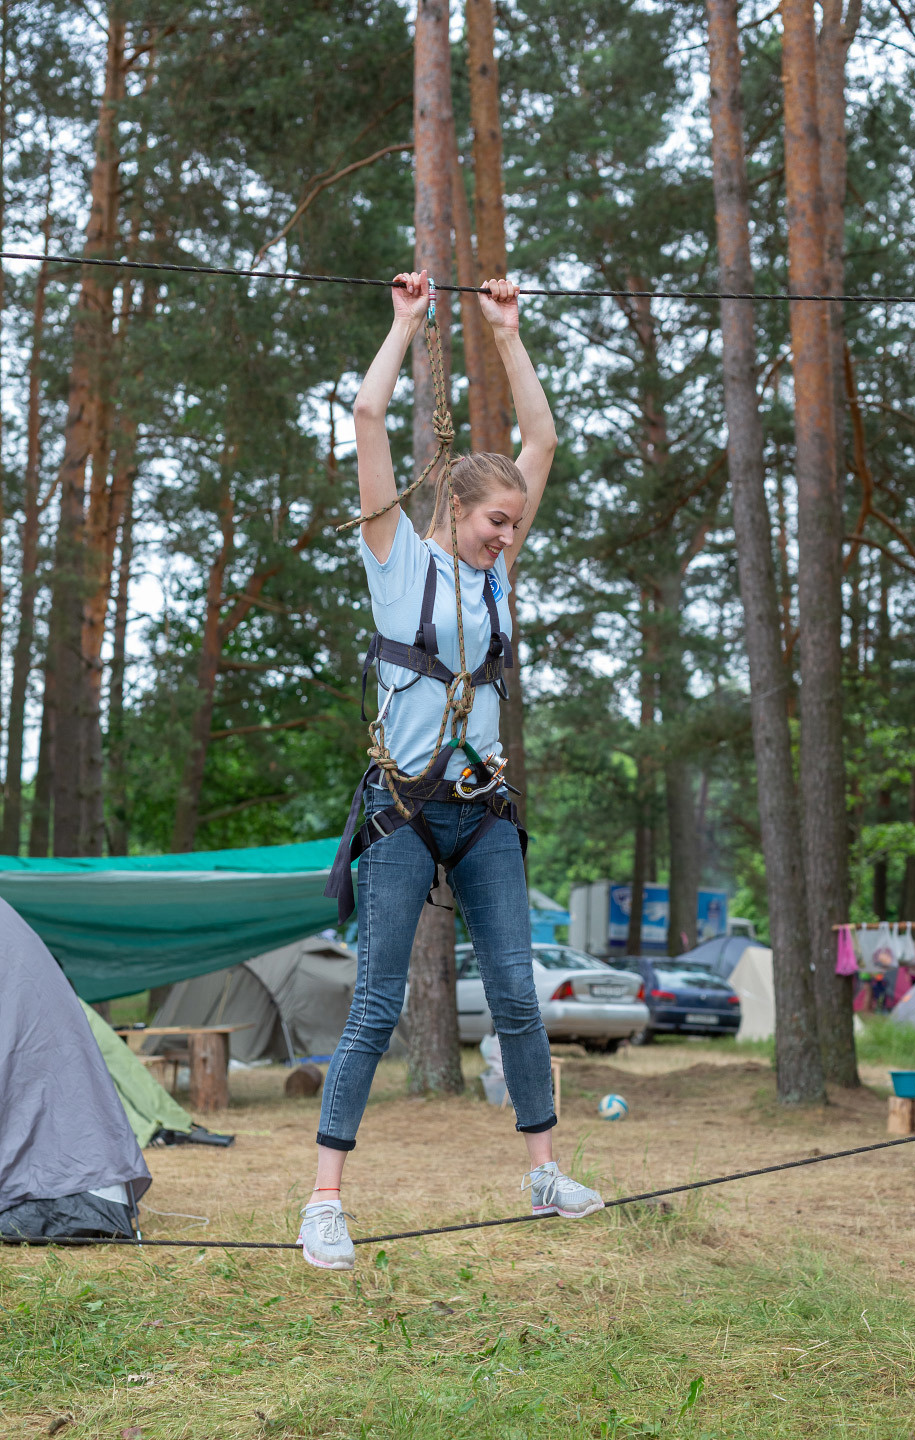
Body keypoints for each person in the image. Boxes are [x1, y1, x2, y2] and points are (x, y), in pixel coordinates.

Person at [299, 270, 604, 1272]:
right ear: (456, 505)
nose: (509, 537)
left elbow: (544, 442)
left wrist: (508, 336)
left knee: (517, 992)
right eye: (494, 522)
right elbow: (369, 411)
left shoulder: (497, 574)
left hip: (481, 812)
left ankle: (545, 1169)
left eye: (515, 524)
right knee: (379, 1002)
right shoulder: (397, 557)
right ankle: (326, 1201)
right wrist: (404, 323)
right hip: (397, 810)